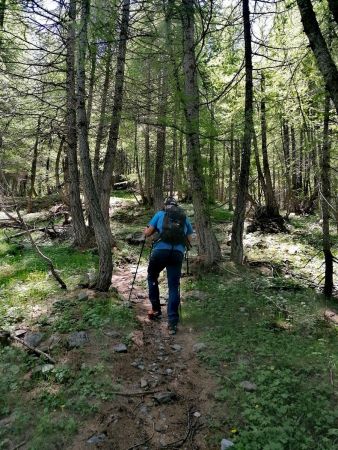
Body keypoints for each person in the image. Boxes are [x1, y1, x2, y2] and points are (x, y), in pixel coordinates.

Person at [143, 197, 193, 335]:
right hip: (177, 253)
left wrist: (146, 230)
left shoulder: (160, 214)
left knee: (152, 276)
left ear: (165, 206)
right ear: (177, 206)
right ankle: (172, 322)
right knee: (173, 286)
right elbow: (189, 239)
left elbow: (147, 233)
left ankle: (156, 309)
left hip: (160, 251)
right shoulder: (184, 218)